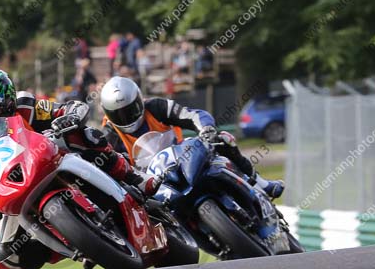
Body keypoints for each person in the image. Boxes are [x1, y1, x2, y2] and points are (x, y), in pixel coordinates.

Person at [0, 69, 157, 269]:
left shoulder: (25, 105)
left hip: (45, 156)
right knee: (6, 259)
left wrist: (68, 119)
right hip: (10, 191)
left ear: (9, 104)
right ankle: (75, 245)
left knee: (86, 135)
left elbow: (74, 107)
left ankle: (133, 177)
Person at [99, 76, 284, 199]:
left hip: (182, 154)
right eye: (118, 115)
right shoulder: (109, 135)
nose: (127, 118)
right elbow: (113, 168)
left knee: (223, 139)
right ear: (108, 113)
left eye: (131, 110)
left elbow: (192, 114)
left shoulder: (156, 107)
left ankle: (260, 183)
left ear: (140, 100)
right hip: (152, 181)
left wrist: (206, 128)